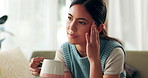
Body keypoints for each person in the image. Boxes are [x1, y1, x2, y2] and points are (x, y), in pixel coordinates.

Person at [29, 0, 126, 78]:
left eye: (81, 22)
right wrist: (47, 70)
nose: (71, 27)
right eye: (70, 18)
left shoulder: (114, 52)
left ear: (99, 28)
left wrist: (94, 60)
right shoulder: (64, 51)